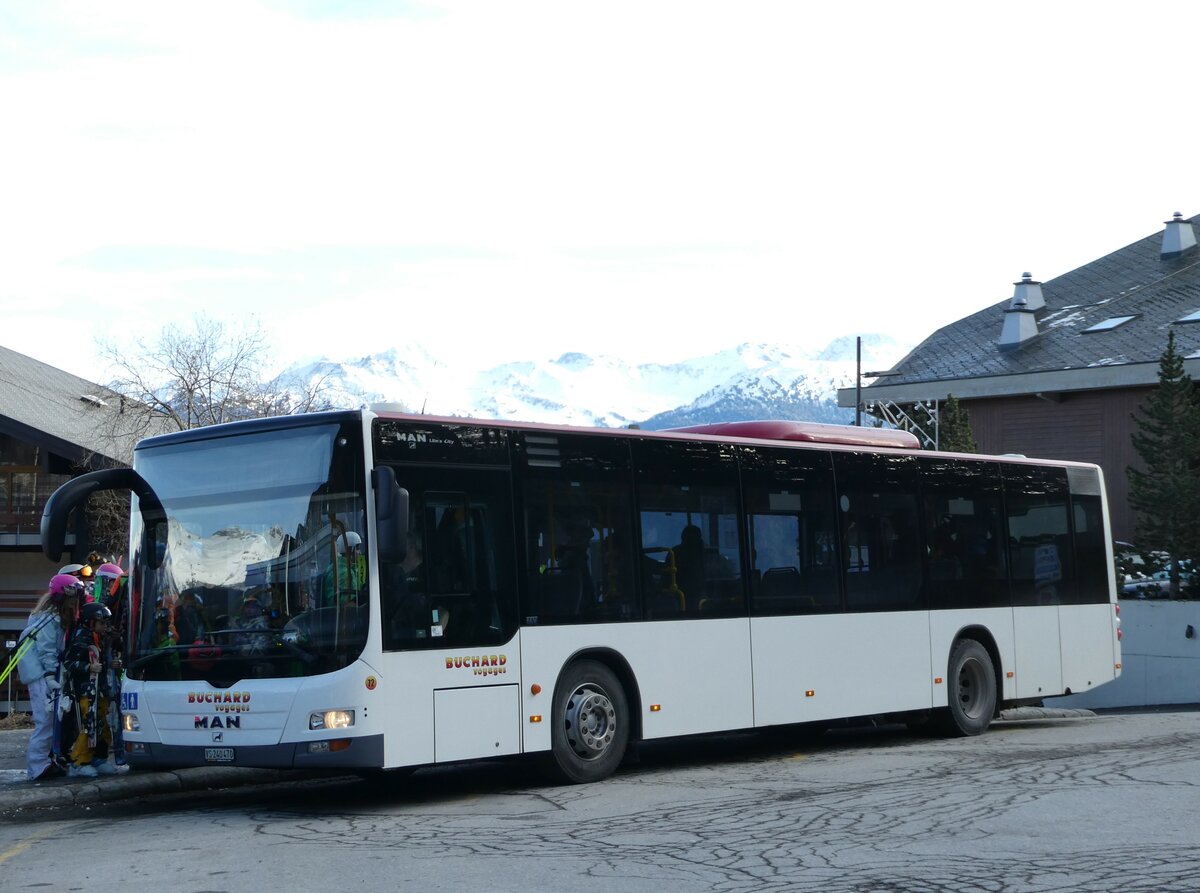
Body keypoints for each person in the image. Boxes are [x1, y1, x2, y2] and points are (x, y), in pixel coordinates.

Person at [17, 574, 83, 781]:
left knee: (52, 719)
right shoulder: (49, 620)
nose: (75, 602)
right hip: (40, 675)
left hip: (43, 673)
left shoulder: (48, 617)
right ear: (62, 598)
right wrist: (50, 676)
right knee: (45, 720)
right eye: (72, 598)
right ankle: (37, 766)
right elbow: (47, 650)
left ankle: (45, 760)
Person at [63, 603, 122, 777]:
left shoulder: (99, 638)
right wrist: (88, 667)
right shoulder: (81, 638)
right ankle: (78, 762)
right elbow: (68, 662)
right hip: (86, 690)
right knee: (90, 725)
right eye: (101, 623)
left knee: (102, 726)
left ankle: (99, 758)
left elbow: (100, 663)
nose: (105, 627)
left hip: (99, 689)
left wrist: (110, 664)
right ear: (90, 622)